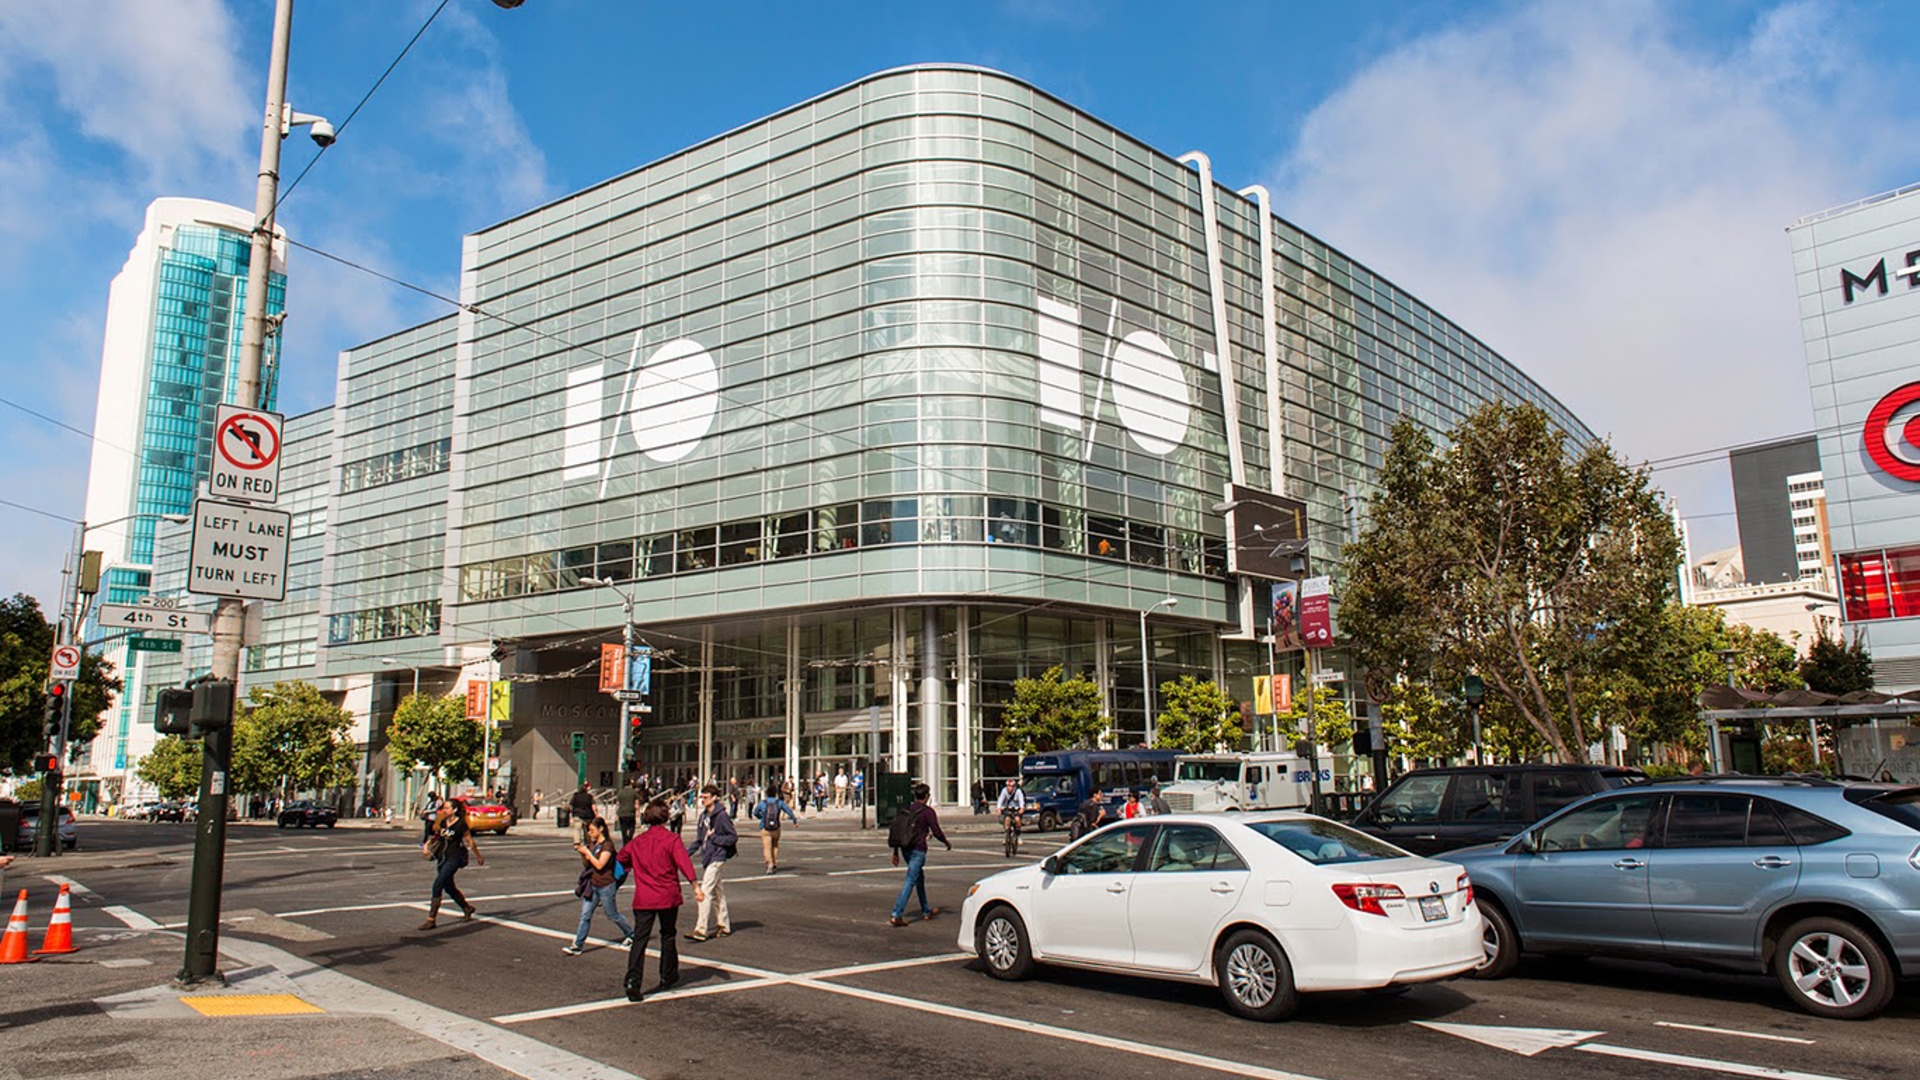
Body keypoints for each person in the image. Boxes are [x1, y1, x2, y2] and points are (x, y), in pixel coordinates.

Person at [617, 800, 704, 1002]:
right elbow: (684, 863)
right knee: (667, 934)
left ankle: (633, 979)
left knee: (640, 939)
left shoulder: (638, 842)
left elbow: (621, 857)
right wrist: (695, 885)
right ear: (665, 818)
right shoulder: (671, 840)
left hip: (644, 896)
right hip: (667, 894)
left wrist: (634, 865)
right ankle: (668, 974)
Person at [564, 817, 634, 955]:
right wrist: (583, 853)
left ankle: (632, 934)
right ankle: (578, 944)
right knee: (585, 915)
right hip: (593, 884)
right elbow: (587, 865)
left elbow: (600, 865)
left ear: (600, 829)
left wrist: (587, 853)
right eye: (588, 831)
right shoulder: (593, 845)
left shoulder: (607, 845)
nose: (590, 833)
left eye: (592, 830)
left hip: (606, 885)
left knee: (612, 914)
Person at [888, 782, 951, 927]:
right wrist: (946, 842)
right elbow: (936, 831)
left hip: (905, 848)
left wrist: (895, 852)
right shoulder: (928, 812)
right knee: (911, 879)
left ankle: (926, 910)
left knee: (919, 878)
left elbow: (898, 830)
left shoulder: (907, 809)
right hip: (918, 849)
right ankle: (896, 913)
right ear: (927, 796)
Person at [419, 798, 483, 930]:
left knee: (437, 885)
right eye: (444, 808)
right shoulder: (443, 822)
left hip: (454, 857)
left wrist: (478, 856)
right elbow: (438, 836)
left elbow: (469, 841)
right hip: (442, 857)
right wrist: (427, 844)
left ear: (454, 810)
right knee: (449, 887)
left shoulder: (461, 824)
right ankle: (467, 908)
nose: (445, 810)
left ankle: (431, 919)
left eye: (447, 808)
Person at [685, 784, 736, 942]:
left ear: (714, 797)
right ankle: (724, 925)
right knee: (717, 892)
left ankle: (701, 929)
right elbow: (700, 839)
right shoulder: (703, 816)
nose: (703, 800)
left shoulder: (721, 816)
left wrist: (715, 838)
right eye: (702, 797)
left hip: (717, 856)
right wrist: (685, 854)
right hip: (708, 857)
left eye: (706, 797)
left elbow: (732, 837)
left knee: (705, 891)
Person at [755, 784, 798, 874]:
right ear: (776, 793)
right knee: (775, 845)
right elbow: (788, 810)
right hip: (776, 827)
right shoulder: (779, 802)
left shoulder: (763, 803)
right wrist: (794, 820)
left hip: (765, 827)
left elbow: (755, 812)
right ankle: (774, 862)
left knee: (767, 847)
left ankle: (769, 863)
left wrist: (761, 817)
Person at [616, 774, 640, 845]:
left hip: (622, 813)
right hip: (631, 813)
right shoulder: (633, 792)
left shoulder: (620, 793)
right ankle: (629, 838)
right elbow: (636, 803)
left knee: (623, 829)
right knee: (631, 827)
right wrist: (638, 811)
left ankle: (625, 841)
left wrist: (616, 814)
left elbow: (618, 804)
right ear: (630, 784)